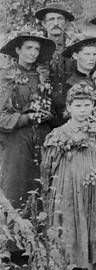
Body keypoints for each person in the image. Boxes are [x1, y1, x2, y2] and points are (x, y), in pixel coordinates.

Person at [40, 82, 96, 270]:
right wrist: (51, 189)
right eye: (78, 106)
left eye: (87, 105)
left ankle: (84, 267)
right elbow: (47, 165)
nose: (82, 110)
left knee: (88, 221)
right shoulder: (59, 134)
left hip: (89, 188)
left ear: (92, 107)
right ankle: (65, 268)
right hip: (67, 187)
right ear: (69, 108)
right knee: (68, 222)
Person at [0, 28, 56, 209]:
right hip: (16, 141)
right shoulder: (6, 77)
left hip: (42, 138)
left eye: (37, 49)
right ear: (17, 50)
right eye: (28, 48)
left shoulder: (42, 75)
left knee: (42, 189)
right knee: (15, 191)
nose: (33, 53)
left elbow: (50, 104)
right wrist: (28, 117)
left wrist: (48, 114)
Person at [61, 35, 96, 127]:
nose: (92, 58)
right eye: (87, 54)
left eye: (94, 54)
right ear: (75, 56)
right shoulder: (71, 83)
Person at [35, 2, 75, 96]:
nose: (56, 23)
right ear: (44, 24)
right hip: (45, 95)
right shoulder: (37, 47)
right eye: (51, 19)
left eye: (59, 19)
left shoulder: (74, 45)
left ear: (65, 23)